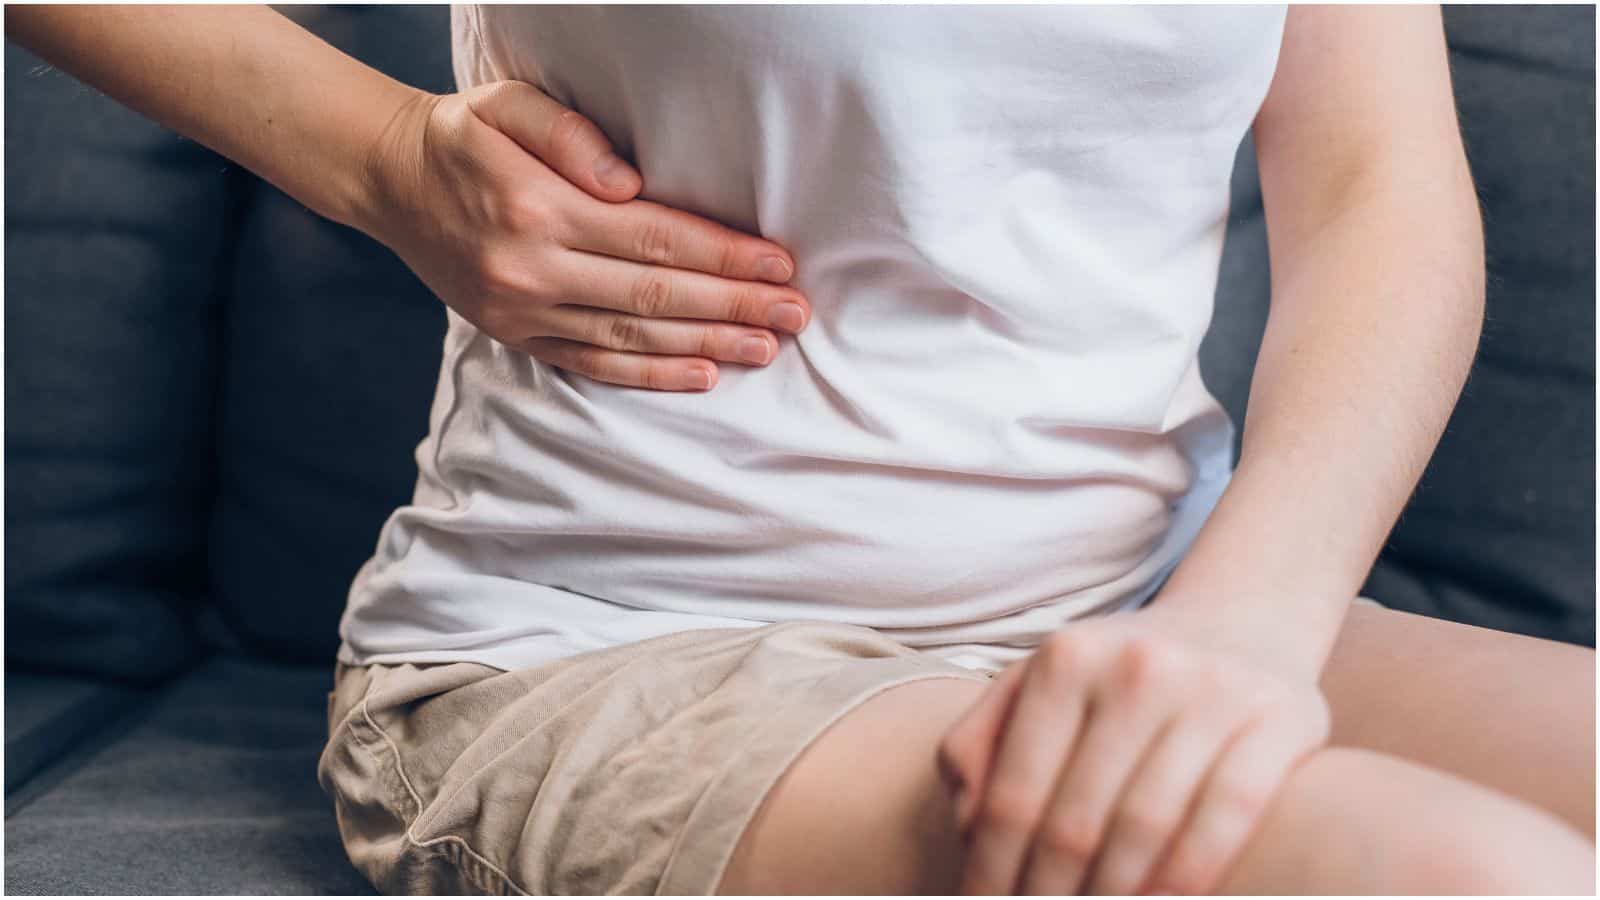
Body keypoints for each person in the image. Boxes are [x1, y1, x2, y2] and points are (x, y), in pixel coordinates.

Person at [11, 4, 1594, 895]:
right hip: (610, 644)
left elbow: (1379, 182)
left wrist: (1244, 621)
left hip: (1145, 600)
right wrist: (380, 158)